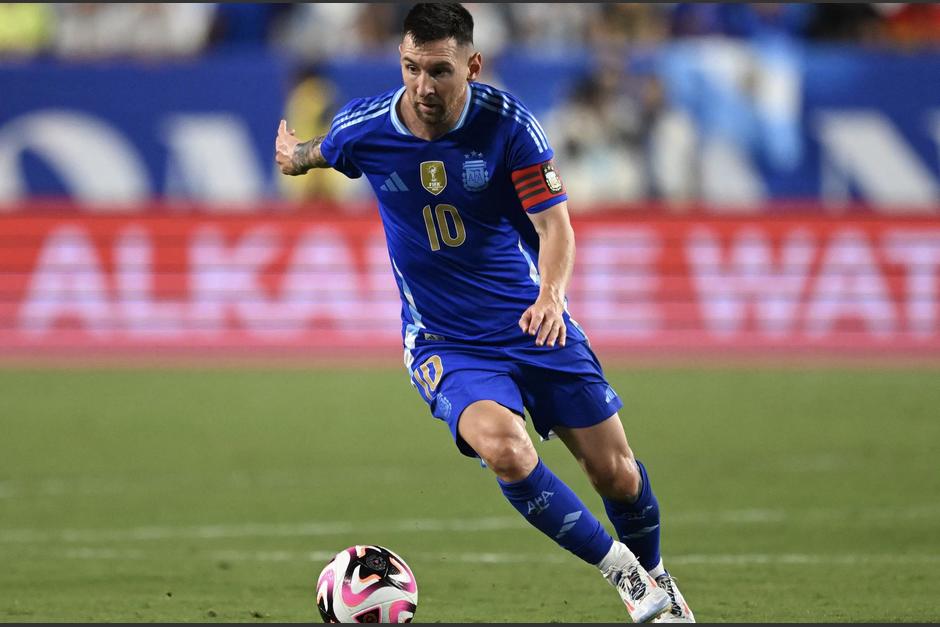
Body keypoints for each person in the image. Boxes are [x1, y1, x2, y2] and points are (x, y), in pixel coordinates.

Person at [275, 3, 694, 623]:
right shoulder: (365, 129)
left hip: (532, 322)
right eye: (413, 68)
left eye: (440, 71)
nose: (424, 86)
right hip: (445, 341)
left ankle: (658, 576)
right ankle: (629, 579)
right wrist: (294, 154)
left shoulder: (510, 127)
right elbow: (316, 151)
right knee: (506, 450)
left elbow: (556, 227)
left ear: (472, 64)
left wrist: (552, 295)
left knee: (617, 474)